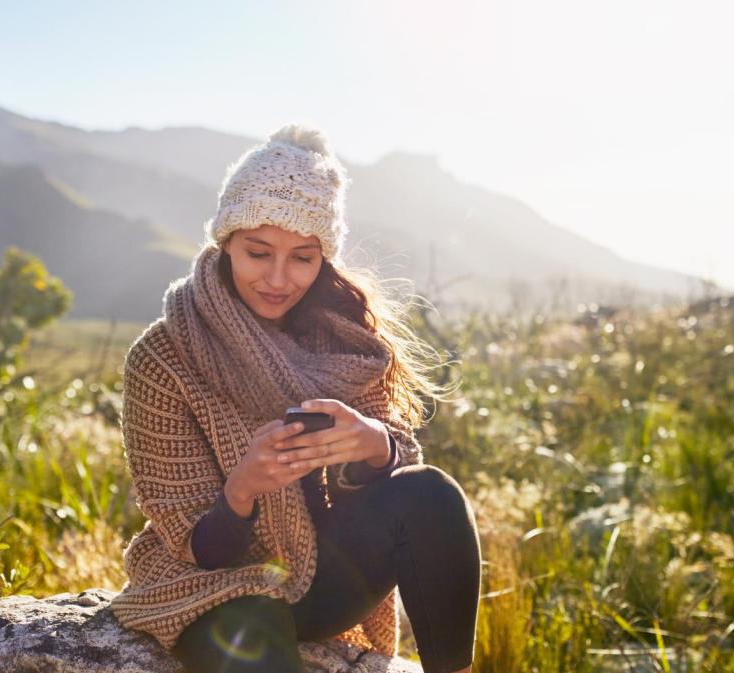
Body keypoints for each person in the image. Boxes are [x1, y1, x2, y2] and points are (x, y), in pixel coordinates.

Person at [109, 124, 482, 673]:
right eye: (259, 253)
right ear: (226, 242)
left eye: (303, 258)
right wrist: (242, 488)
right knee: (249, 629)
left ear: (323, 258)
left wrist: (374, 445)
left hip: (323, 575)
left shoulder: (346, 338)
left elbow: (398, 469)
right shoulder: (164, 357)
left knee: (431, 495)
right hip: (211, 586)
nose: (279, 279)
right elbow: (192, 540)